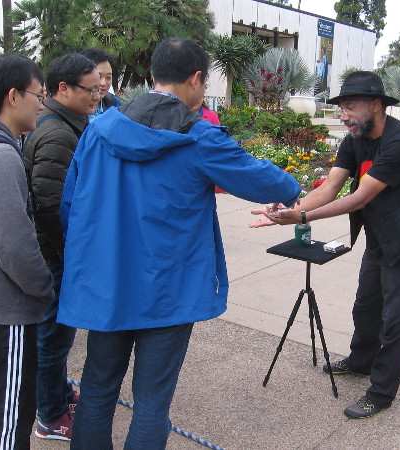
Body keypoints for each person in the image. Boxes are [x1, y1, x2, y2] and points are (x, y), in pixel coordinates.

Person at [56, 37, 300, 449]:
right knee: (152, 403)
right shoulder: (200, 136)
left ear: (153, 75)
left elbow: (69, 206)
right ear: (196, 78)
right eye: (204, 85)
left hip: (108, 283)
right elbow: (267, 182)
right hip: (168, 290)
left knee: (98, 388)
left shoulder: (99, 129)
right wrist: (292, 188)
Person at [250, 71, 400, 419]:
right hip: (379, 237)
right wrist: (291, 210)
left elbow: (360, 197)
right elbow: (329, 189)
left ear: (376, 106)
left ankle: (380, 393)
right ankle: (361, 361)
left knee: (395, 321)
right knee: (365, 306)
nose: (343, 116)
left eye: (350, 106)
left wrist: (303, 220)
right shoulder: (354, 141)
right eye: (341, 108)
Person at [23, 52, 101, 441]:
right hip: (54, 256)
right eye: (91, 89)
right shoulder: (57, 133)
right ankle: (49, 416)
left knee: (57, 337)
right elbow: (50, 205)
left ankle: (57, 395)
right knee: (51, 340)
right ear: (62, 89)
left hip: (57, 254)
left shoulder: (69, 125)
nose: (97, 96)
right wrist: (74, 257)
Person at [0, 53, 55, 450]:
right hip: (8, 312)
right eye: (38, 94)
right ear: (14, 96)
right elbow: (14, 245)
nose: (42, 103)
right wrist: (45, 288)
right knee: (11, 419)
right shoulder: (2, 157)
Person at [80, 48, 121, 121]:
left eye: (108, 77)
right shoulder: (73, 107)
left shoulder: (113, 103)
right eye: (98, 76)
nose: (103, 83)